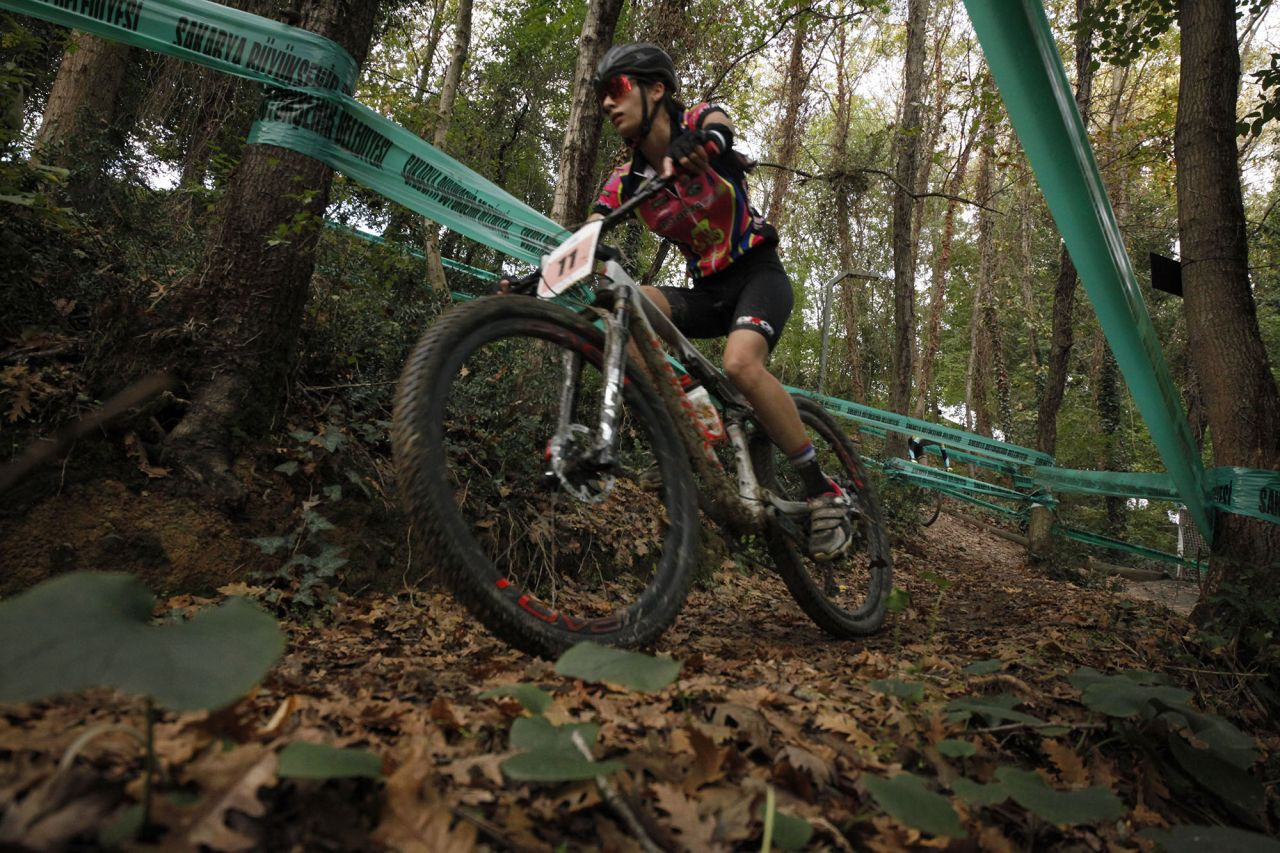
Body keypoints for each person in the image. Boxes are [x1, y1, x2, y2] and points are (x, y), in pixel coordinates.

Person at [581, 43, 855, 560]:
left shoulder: (697, 119)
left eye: (617, 89)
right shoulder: (625, 181)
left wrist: (704, 142)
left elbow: (721, 124)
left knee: (740, 364)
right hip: (707, 292)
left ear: (655, 88)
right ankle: (689, 409)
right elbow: (589, 232)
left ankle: (824, 490)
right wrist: (536, 275)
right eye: (601, 98)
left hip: (758, 276)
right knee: (622, 304)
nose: (608, 104)